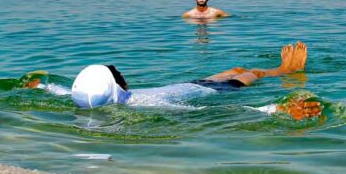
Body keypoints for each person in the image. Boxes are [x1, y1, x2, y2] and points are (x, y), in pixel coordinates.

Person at [48, 42, 321, 120]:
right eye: (119, 76)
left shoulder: (86, 97)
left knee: (236, 66)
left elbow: (64, 92)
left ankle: (280, 70)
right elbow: (209, 111)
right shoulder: (149, 104)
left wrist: (45, 86)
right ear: (117, 87)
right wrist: (275, 110)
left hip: (191, 83)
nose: (124, 77)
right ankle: (287, 70)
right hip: (219, 91)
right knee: (253, 73)